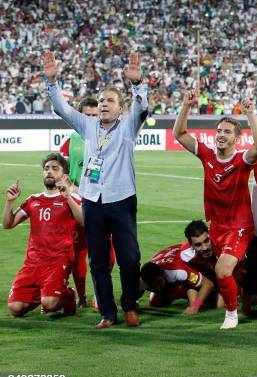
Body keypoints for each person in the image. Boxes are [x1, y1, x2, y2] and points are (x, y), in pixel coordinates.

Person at [44, 50, 149, 328]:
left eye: (109, 101)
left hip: (122, 200)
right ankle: (108, 313)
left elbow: (143, 108)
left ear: (120, 108)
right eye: (101, 100)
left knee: (129, 259)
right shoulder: (88, 125)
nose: (103, 104)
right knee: (98, 262)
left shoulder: (128, 126)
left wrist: (138, 85)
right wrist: (52, 83)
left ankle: (129, 305)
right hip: (92, 201)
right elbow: (61, 109)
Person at [173, 90, 257, 329]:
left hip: (240, 227)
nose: (221, 135)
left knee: (222, 269)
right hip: (217, 227)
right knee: (234, 273)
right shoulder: (207, 155)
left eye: (227, 132)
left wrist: (250, 114)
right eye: (219, 131)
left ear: (236, 139)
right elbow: (179, 133)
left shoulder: (242, 161)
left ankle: (232, 315)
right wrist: (186, 106)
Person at [3, 153, 82, 317]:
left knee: (50, 305)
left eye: (55, 168)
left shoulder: (71, 197)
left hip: (58, 260)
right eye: (46, 169)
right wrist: (10, 202)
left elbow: (83, 222)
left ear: (64, 175)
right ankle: (48, 291)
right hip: (33, 262)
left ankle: (67, 294)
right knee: (15, 309)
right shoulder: (33, 200)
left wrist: (67, 197)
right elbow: (8, 224)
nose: (49, 172)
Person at [58, 96, 116, 308]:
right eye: (87, 116)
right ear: (80, 116)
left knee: (107, 254)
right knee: (79, 252)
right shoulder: (71, 140)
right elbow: (60, 169)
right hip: (75, 202)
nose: (92, 119)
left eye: (95, 115)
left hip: (100, 201)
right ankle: (81, 296)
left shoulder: (108, 139)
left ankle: (99, 293)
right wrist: (68, 184)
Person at [139, 222, 223, 314]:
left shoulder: (178, 271)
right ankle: (180, 291)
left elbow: (207, 284)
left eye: (206, 241)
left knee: (219, 304)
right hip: (183, 265)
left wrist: (195, 306)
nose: (205, 247)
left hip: (187, 267)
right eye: (153, 287)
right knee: (155, 303)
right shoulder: (140, 282)